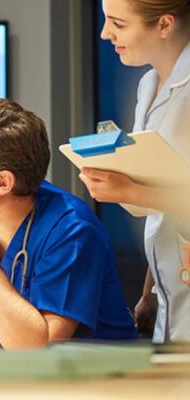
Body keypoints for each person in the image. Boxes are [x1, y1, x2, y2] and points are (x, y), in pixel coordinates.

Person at [0, 99, 137, 349]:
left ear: (3, 183)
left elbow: (37, 350)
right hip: (0, 380)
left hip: (94, 383)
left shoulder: (71, 230)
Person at [81, 0, 190, 342]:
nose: (104, 33)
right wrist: (150, 292)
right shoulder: (148, 85)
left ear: (164, 24)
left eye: (118, 23)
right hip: (169, 291)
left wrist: (128, 191)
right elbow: (163, 198)